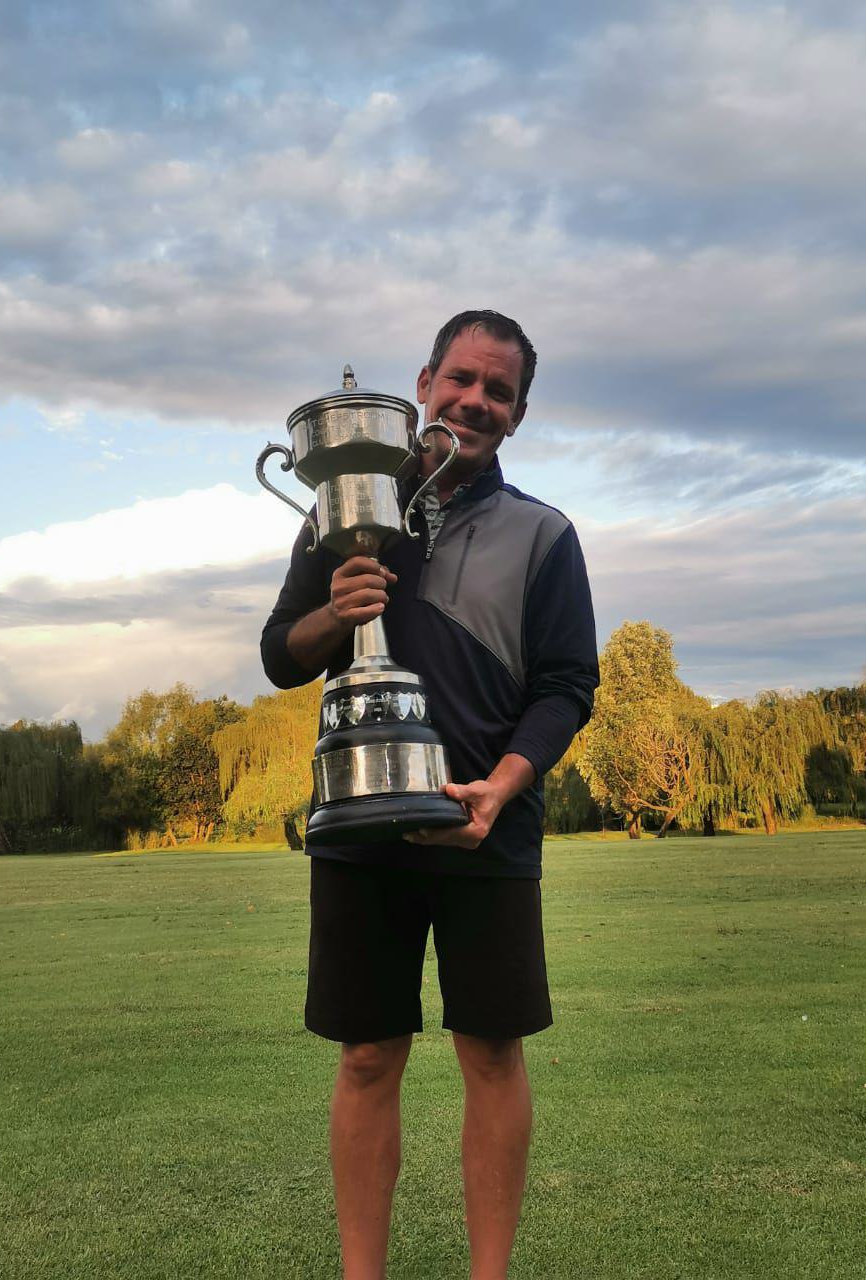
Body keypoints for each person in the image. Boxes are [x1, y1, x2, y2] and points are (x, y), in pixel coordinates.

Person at [261, 310, 598, 1280]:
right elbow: (280, 654)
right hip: (359, 824)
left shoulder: (544, 533)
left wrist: (502, 784)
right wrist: (338, 606)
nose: (475, 401)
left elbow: (569, 682)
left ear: (519, 413)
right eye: (461, 378)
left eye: (499, 390)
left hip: (485, 826)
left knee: (491, 1055)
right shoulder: (342, 503)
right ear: (423, 380)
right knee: (367, 1055)